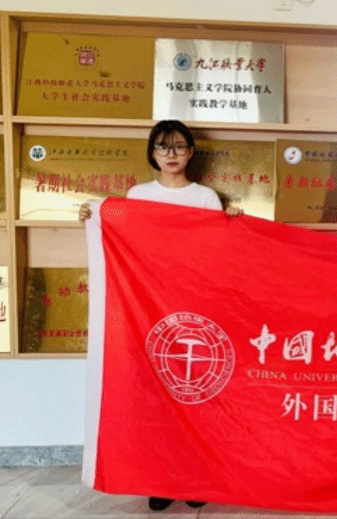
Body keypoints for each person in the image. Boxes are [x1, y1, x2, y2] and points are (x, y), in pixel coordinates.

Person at [80, 119, 240, 511]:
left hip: (194, 307)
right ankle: (160, 479)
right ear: (152, 152)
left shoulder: (205, 197)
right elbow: (127, 240)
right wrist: (95, 215)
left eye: (179, 146)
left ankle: (196, 480)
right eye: (163, 147)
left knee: (195, 395)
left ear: (191, 152)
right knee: (155, 398)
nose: (171, 154)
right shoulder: (139, 194)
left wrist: (233, 223)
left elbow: (216, 252)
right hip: (148, 309)